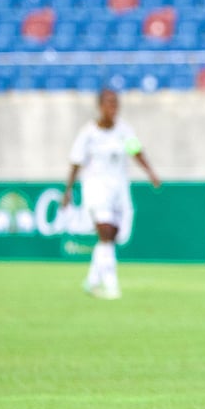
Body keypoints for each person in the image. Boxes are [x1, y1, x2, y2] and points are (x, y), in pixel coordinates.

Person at [61, 87, 161, 300]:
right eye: (109, 103)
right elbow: (76, 162)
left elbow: (136, 151)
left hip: (119, 189)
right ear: (100, 106)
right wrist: (68, 191)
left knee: (114, 235)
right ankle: (111, 285)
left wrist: (150, 172)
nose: (113, 107)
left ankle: (92, 280)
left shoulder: (124, 130)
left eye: (116, 103)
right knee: (105, 231)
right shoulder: (88, 133)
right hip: (96, 189)